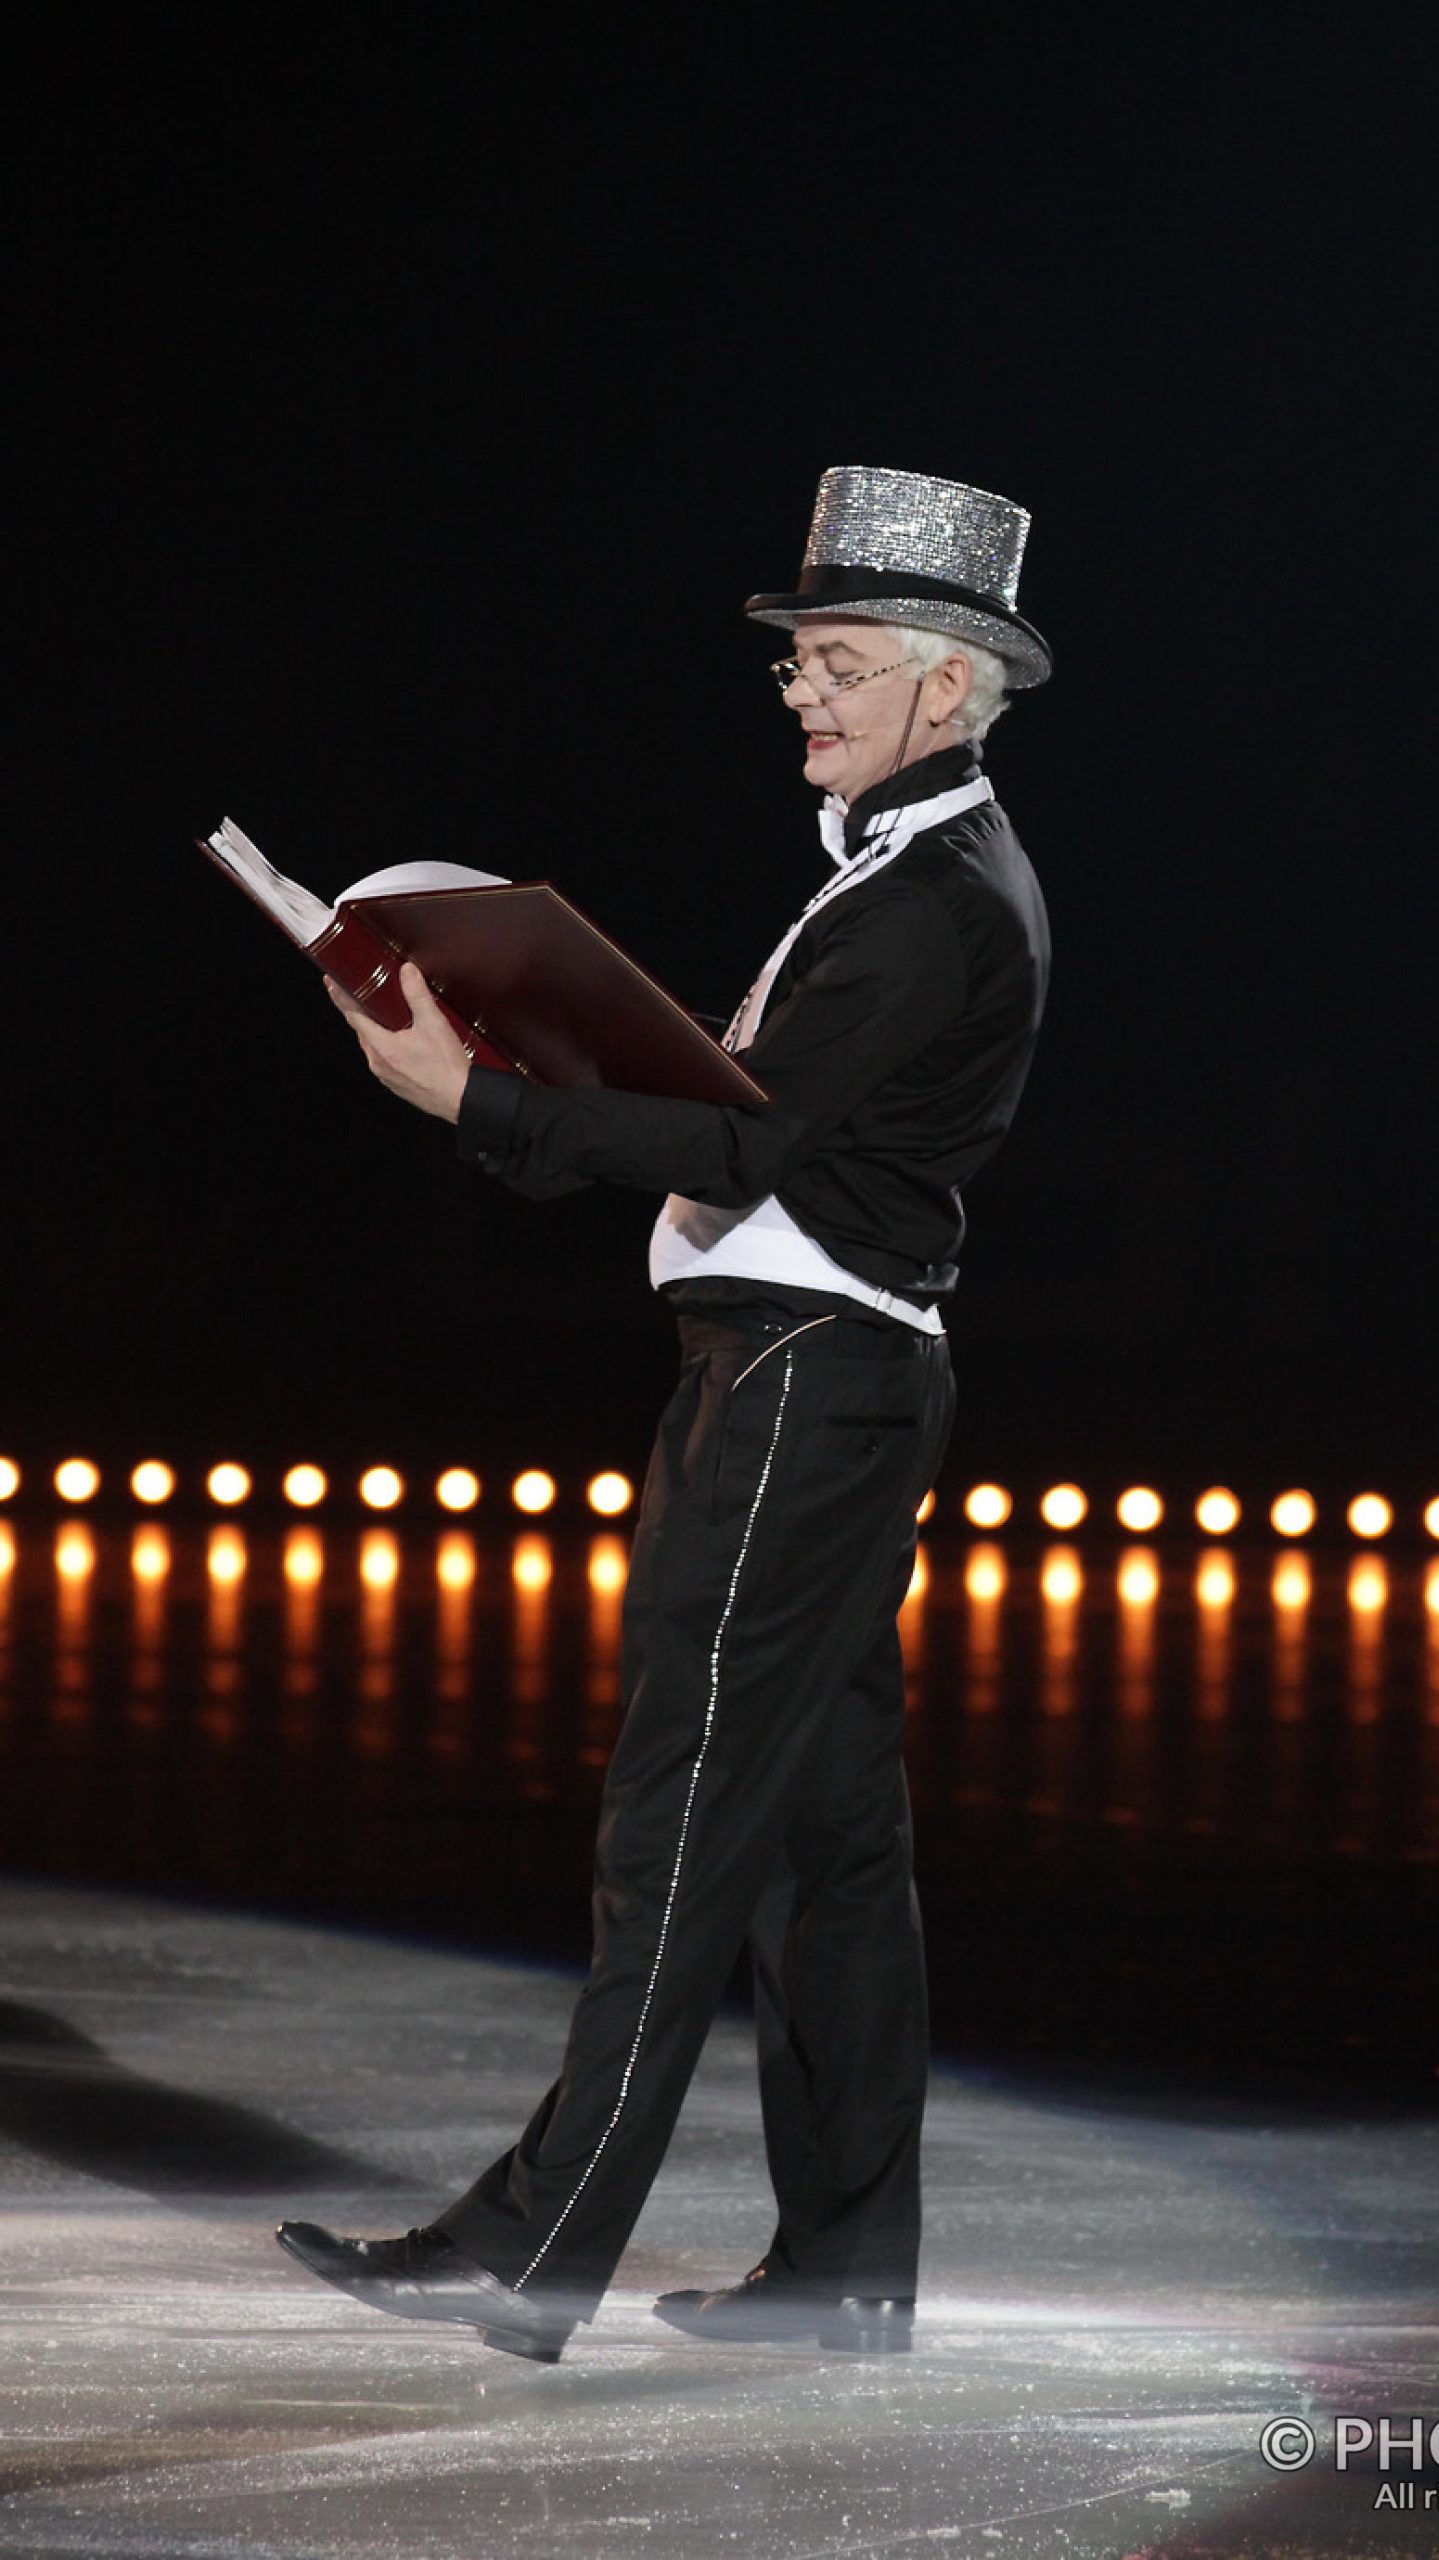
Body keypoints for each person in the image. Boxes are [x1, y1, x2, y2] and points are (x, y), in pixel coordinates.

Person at [278, 464, 1052, 2362]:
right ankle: (850, 2275)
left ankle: (537, 2250)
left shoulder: (929, 905)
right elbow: (742, 1104)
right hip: (825, 1382)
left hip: (805, 1388)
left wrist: (479, 1106)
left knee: (682, 1819)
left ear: (948, 691)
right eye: (801, 658)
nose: (803, 691)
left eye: (844, 664)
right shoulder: (904, 880)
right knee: (819, 1851)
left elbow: (741, 1133)